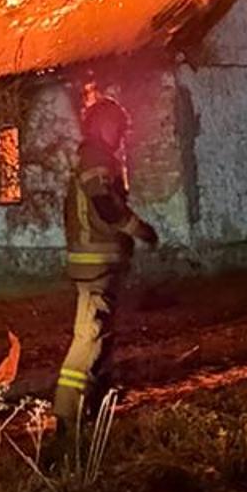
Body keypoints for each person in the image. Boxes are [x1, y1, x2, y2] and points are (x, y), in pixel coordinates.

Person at [53, 96, 158, 451]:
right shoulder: (96, 159)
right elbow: (106, 206)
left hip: (102, 264)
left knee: (102, 338)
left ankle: (93, 407)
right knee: (90, 337)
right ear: (99, 125)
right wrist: (139, 228)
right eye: (116, 125)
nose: (121, 133)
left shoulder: (97, 158)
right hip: (95, 264)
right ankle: (67, 417)